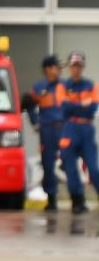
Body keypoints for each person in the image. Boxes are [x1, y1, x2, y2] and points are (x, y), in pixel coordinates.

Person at [26, 54, 67, 211]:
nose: (59, 71)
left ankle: (77, 199)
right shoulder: (38, 87)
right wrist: (35, 121)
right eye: (56, 67)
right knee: (48, 164)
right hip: (47, 130)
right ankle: (52, 199)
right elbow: (29, 104)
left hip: (64, 129)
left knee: (69, 162)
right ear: (48, 69)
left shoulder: (66, 86)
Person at [55, 51, 94, 214]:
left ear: (83, 67)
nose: (76, 69)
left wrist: (74, 104)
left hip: (86, 129)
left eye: (78, 66)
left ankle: (89, 197)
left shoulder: (90, 85)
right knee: (70, 167)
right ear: (69, 67)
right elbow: (63, 108)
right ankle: (77, 201)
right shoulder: (62, 86)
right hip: (69, 128)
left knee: (93, 167)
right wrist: (81, 104)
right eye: (73, 66)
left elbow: (92, 108)